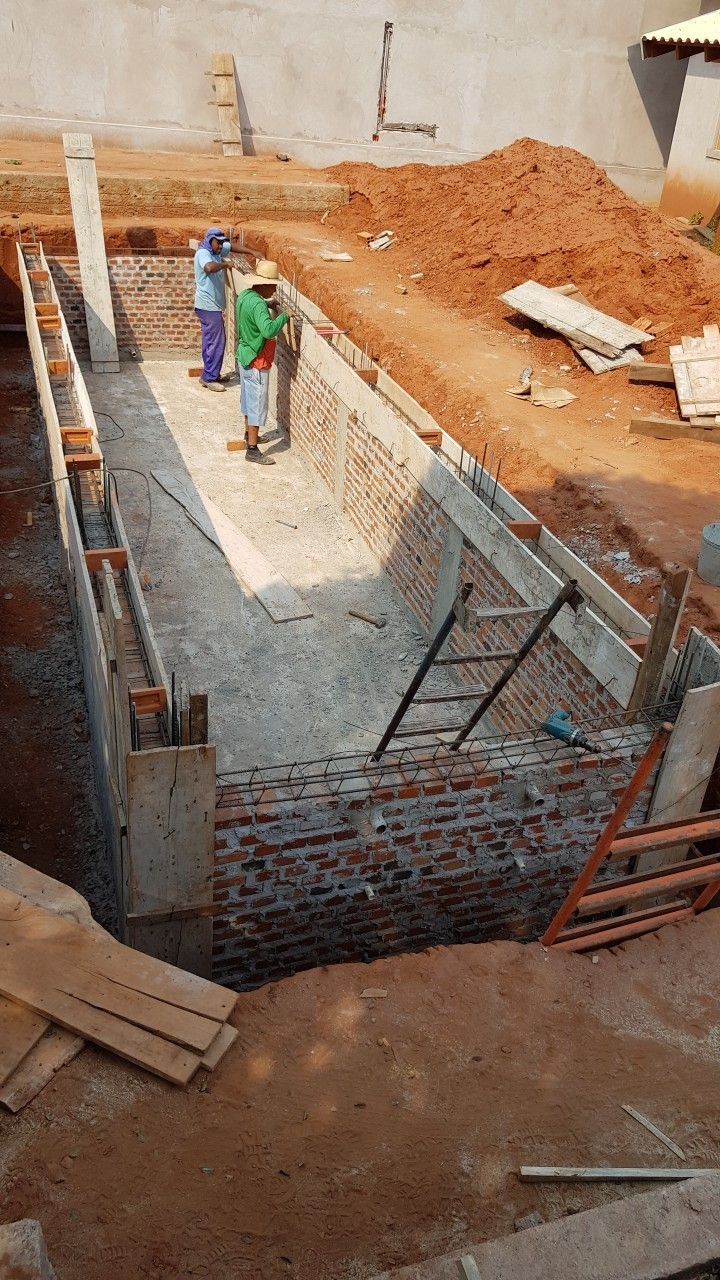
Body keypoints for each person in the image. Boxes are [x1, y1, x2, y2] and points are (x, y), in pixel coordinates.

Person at [235, 260, 289, 465]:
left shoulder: (246, 296)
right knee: (257, 404)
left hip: (245, 356)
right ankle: (252, 449)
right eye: (273, 285)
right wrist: (284, 318)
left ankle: (249, 435)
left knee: (248, 402)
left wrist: (267, 304)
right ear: (263, 285)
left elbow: (253, 308)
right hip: (258, 361)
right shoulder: (258, 304)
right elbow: (268, 330)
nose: (275, 289)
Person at [194, 228, 232, 391]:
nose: (221, 246)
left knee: (211, 341)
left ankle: (211, 374)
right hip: (208, 306)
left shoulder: (216, 248)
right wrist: (225, 264)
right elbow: (209, 268)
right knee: (216, 342)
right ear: (210, 241)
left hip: (211, 306)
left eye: (222, 242)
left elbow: (232, 246)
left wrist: (253, 252)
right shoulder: (204, 253)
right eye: (218, 242)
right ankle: (209, 378)